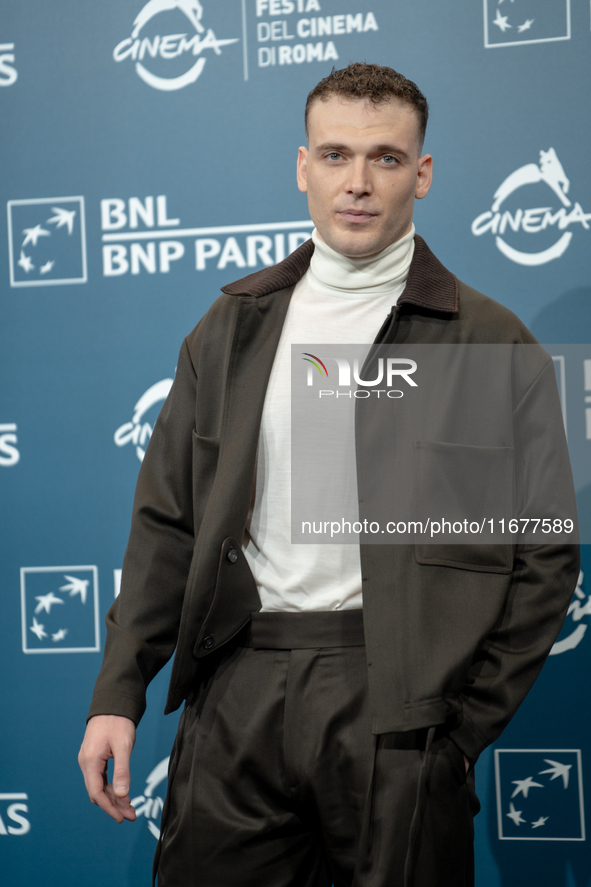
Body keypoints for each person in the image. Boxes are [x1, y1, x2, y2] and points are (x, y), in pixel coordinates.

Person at [78, 63, 579, 887]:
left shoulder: (492, 342)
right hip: (239, 685)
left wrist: (458, 730)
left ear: (420, 173)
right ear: (302, 166)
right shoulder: (230, 327)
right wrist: (116, 692)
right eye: (336, 154)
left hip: (398, 708)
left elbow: (543, 557)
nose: (357, 182)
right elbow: (167, 521)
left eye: (384, 158)